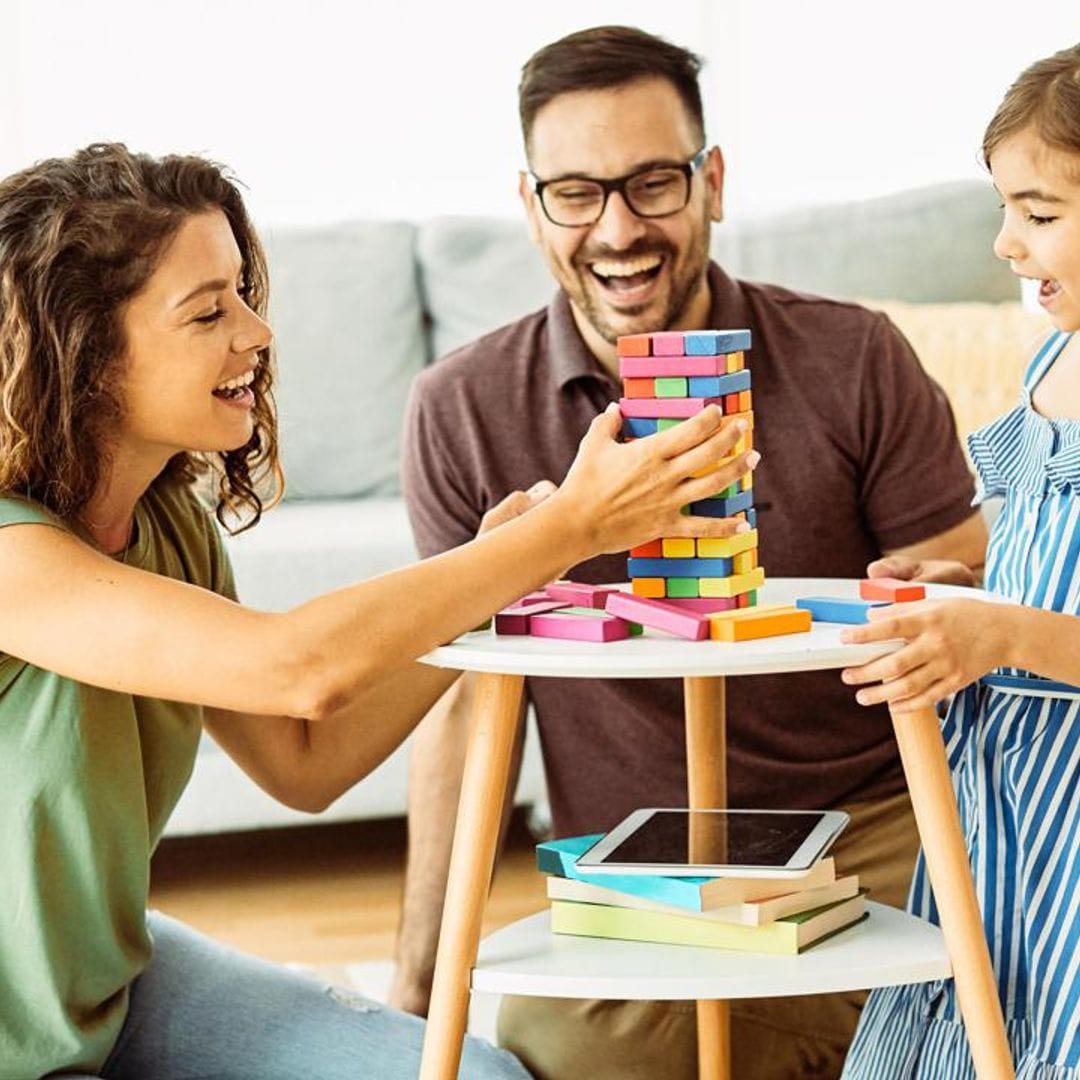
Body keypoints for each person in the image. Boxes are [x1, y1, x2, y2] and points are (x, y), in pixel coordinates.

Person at [0, 143, 755, 1080]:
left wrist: (498, 582)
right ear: (86, 352)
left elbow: (303, 763)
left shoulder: (169, 525)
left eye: (242, 294)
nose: (255, 333)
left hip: (100, 985)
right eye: (207, 313)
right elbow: (295, 668)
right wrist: (561, 530)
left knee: (478, 1076)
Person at [391, 24, 990, 1080]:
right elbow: (460, 704)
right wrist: (413, 989)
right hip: (641, 870)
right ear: (531, 209)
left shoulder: (854, 358)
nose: (617, 229)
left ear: (712, 182)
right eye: (576, 193)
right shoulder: (462, 410)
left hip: (866, 826)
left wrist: (940, 593)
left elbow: (960, 583)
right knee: (546, 1049)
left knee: (977, 992)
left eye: (653, 183)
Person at [839, 43, 1080, 1079]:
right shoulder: (1055, 358)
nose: (1004, 245)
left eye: (1039, 212)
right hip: (998, 816)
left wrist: (1009, 633)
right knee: (980, 1027)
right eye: (1005, 209)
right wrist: (971, 595)